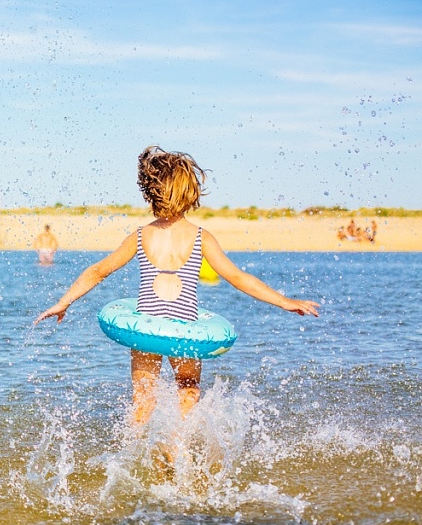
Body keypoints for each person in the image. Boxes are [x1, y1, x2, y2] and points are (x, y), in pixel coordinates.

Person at [34, 146, 319, 428]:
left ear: (151, 192)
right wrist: (284, 301)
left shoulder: (142, 236)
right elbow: (237, 277)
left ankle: (133, 454)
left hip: (145, 328)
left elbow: (99, 271)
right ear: (190, 193)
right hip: (185, 330)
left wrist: (64, 301)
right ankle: (177, 451)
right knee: (188, 391)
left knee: (143, 399)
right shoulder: (201, 237)